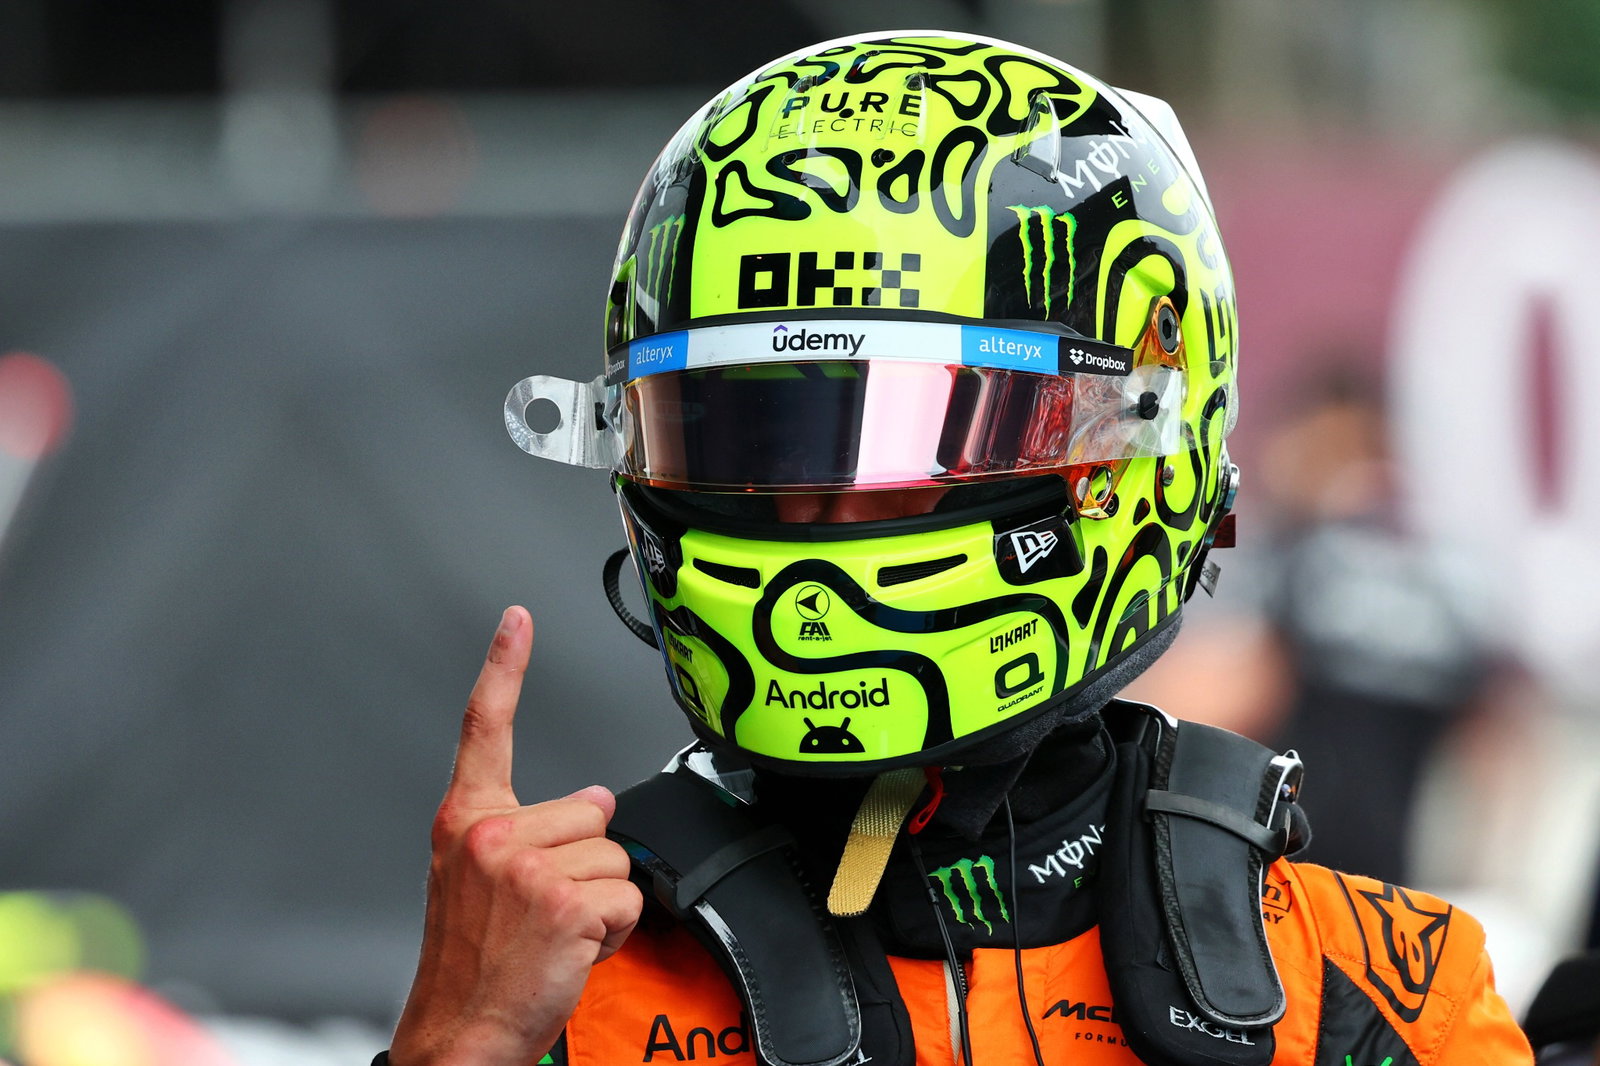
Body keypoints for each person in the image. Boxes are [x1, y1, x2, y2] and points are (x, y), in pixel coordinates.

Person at [379, 32, 1534, 1066]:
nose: (816, 517)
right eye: (744, 448)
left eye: (908, 453)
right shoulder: (550, 985)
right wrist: (453, 1044)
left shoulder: (1372, 990)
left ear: (1125, 454)